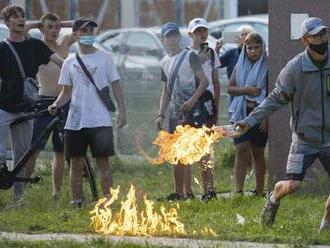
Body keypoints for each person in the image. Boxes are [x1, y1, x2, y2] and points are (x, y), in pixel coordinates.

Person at [236, 17, 330, 231]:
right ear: (305, 40)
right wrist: (250, 121)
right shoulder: (295, 68)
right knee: (293, 185)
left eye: (324, 33)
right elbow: (274, 99)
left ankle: (325, 225)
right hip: (304, 139)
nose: (322, 38)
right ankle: (274, 196)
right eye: (316, 35)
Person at [48, 17, 126, 207]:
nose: (88, 34)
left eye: (91, 31)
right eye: (83, 31)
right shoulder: (69, 61)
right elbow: (66, 91)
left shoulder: (105, 57)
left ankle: (108, 201)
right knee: (75, 164)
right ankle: (77, 201)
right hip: (75, 121)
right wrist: (56, 105)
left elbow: (116, 86)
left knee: (103, 164)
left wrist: (122, 112)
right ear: (75, 35)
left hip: (101, 120)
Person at [0, 5, 63, 202]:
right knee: (0, 154)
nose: (20, 20)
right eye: (15, 17)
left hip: (26, 108)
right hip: (4, 107)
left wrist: (76, 72)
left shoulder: (35, 46)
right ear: (7, 22)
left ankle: (18, 199)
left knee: (23, 156)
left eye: (23, 17)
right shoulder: (2, 49)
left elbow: (60, 62)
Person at [23, 12, 75, 200]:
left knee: (59, 152)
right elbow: (23, 28)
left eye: (57, 27)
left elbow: (80, 26)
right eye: (50, 27)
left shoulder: (64, 43)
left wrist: (62, 22)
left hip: (64, 101)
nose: (54, 31)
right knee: (34, 149)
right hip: (44, 101)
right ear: (43, 29)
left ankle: (56, 193)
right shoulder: (37, 46)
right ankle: (21, 192)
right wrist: (39, 23)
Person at [156, 22, 209, 201]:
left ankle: (200, 191)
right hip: (173, 112)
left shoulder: (190, 56)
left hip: (192, 111)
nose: (171, 39)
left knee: (192, 152)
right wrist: (160, 114)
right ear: (163, 40)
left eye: (174, 35)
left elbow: (204, 82)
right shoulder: (163, 61)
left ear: (179, 37)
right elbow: (165, 90)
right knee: (176, 153)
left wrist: (192, 100)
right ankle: (179, 192)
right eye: (167, 36)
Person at [227, 32, 268, 196]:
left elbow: (272, 94)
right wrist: (245, 90)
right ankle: (238, 190)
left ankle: (259, 190)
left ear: (262, 47)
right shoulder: (239, 64)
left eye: (256, 47)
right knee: (241, 149)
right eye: (249, 47)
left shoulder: (268, 65)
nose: (253, 51)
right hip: (240, 113)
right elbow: (230, 88)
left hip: (259, 113)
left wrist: (266, 116)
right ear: (245, 49)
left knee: (258, 151)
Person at [187, 17, 221, 201]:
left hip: (206, 100)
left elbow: (215, 82)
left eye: (204, 31)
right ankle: (186, 191)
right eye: (198, 31)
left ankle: (209, 190)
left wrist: (216, 106)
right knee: (187, 146)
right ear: (190, 34)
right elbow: (184, 77)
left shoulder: (212, 53)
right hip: (189, 100)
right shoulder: (185, 53)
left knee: (205, 148)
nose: (201, 34)